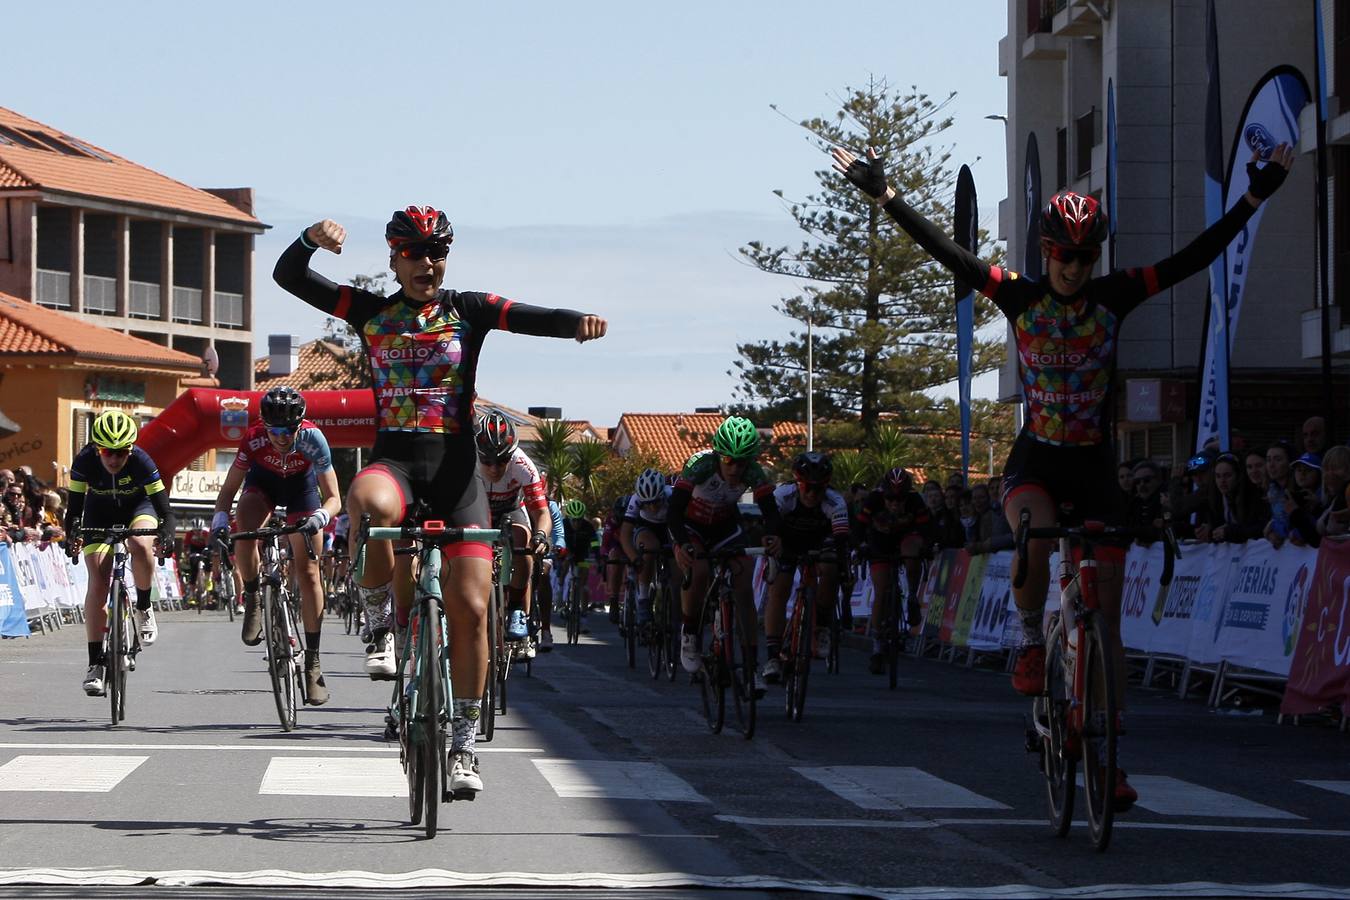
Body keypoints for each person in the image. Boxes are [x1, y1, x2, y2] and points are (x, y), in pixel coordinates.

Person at [832, 138, 1293, 811]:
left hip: (1094, 464)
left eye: (1084, 257)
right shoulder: (1018, 296)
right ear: (1046, 252)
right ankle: (1027, 638)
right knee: (1037, 539)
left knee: (1106, 619)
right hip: (1038, 459)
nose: (1074, 268)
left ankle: (1107, 750)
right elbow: (949, 253)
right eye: (1063, 256)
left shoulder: (1117, 294)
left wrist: (1253, 197)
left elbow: (1196, 257)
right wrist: (885, 194)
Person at [273, 205, 605, 796]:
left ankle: (463, 744)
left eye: (439, 252)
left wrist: (577, 321)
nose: (429, 263)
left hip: (457, 474)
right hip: (395, 462)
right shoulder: (371, 312)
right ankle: (378, 622)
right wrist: (308, 240)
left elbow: (530, 315)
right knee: (366, 500)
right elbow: (291, 278)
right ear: (395, 259)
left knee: (474, 610)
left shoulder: (467, 310)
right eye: (416, 253)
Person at [212, 387, 342, 705]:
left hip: (302, 489)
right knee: (245, 526)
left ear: (300, 424)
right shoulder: (253, 437)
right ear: (265, 425)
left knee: (309, 570)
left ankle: (312, 662)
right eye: (276, 431)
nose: (283, 438)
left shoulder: (313, 438)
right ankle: (254, 597)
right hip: (264, 484)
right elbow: (229, 489)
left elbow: (335, 497)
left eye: (289, 430)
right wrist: (217, 521)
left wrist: (322, 517)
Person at [63, 410, 175, 696]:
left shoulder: (142, 461)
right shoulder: (84, 462)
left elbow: (164, 510)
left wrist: (167, 534)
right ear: (96, 449)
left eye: (121, 453)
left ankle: (144, 606)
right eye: (106, 452)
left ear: (131, 449)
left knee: (139, 544)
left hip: (139, 507)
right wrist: (72, 534)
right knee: (98, 582)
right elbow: (74, 509)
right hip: (98, 513)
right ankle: (95, 664)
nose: (114, 459)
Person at [668, 416, 779, 694]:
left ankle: (752, 668)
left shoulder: (754, 472)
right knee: (700, 571)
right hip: (692, 526)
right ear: (718, 455)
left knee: (743, 591)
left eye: (742, 462)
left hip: (726, 527)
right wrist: (681, 544)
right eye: (729, 461)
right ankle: (690, 633)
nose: (736, 468)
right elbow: (673, 512)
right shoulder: (699, 466)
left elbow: (771, 512)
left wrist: (773, 535)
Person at [762, 452, 849, 682]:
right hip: (787, 542)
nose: (812, 494)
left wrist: (844, 570)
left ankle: (820, 626)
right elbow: (769, 527)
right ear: (798, 483)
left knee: (830, 570)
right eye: (807, 487)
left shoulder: (835, 502)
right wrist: (772, 544)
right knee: (779, 588)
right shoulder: (783, 495)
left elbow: (841, 541)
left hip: (820, 543)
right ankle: (773, 655)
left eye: (818, 489)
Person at [475, 412, 552, 652]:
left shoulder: (523, 465)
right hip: (477, 510)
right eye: (486, 461)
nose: (494, 468)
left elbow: (542, 514)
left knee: (524, 538)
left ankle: (517, 608)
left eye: (502, 460)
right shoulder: (465, 460)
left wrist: (541, 536)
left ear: (512, 454)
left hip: (510, 510)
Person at [855, 467, 933, 673]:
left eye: (900, 500)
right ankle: (878, 642)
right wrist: (859, 545)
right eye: (891, 499)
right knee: (881, 590)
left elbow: (927, 528)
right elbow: (860, 526)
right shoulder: (873, 499)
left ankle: (912, 598)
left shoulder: (916, 501)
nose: (895, 504)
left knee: (913, 552)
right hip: (880, 542)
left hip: (905, 538)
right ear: (884, 494)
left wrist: (928, 546)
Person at [619, 467, 672, 628]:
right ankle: (643, 599)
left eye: (656, 501)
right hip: (646, 527)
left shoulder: (672, 495)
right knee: (649, 547)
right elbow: (625, 534)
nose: (653, 507)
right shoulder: (636, 499)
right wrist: (634, 557)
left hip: (669, 527)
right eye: (647, 504)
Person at [1193, 453, 1269, 544]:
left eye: (1227, 475)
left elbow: (1258, 528)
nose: (1222, 481)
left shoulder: (1253, 497)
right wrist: (1209, 531)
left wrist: (1228, 532)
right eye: (1218, 476)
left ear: (1238, 476)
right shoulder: (1212, 497)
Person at [1316, 446, 1350, 539]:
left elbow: (1330, 528)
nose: (1330, 474)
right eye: (1327, 469)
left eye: (1335, 468)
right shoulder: (1332, 498)